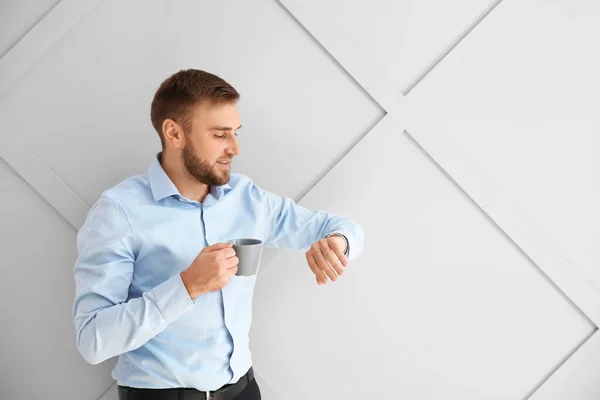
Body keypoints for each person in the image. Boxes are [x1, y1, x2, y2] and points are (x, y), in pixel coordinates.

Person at [72, 69, 365, 400]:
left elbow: (341, 228)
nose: (235, 148)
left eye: (236, 132)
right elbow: (93, 341)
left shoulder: (248, 198)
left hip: (244, 392)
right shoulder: (118, 212)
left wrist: (337, 244)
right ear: (173, 132)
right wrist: (187, 286)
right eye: (220, 135)